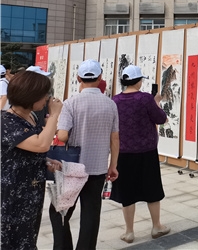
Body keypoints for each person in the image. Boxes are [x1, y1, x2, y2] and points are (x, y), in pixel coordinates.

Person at [49, 59, 120, 250]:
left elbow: (62, 135)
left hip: (73, 168)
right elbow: (115, 138)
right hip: (97, 167)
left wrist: (57, 129)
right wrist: (113, 165)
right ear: (100, 78)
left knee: (60, 212)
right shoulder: (110, 104)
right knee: (91, 214)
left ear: (78, 78)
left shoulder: (70, 103)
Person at [1, 71, 63, 250]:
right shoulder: (6, 122)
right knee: (13, 240)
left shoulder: (31, 117)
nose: (47, 99)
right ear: (30, 96)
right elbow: (41, 144)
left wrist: (46, 160)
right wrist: (54, 114)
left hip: (31, 191)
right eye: (44, 95)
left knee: (28, 238)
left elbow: (29, 149)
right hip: (12, 194)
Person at [110, 65, 170, 243]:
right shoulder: (145, 99)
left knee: (127, 193)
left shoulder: (115, 100)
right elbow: (161, 118)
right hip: (146, 151)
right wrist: (156, 102)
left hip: (123, 152)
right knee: (152, 189)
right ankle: (156, 226)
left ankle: (129, 231)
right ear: (138, 81)